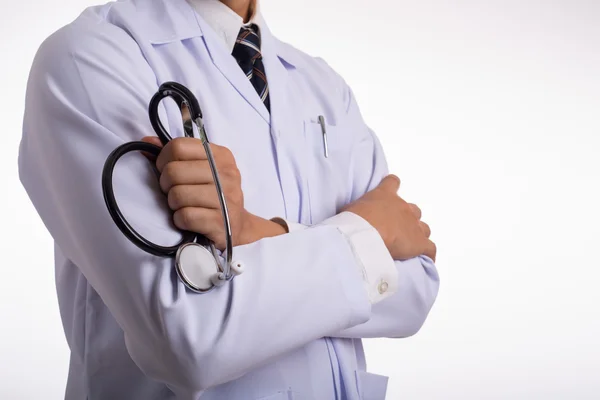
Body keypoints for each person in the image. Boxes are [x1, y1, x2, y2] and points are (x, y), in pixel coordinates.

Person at [18, 0, 440, 398]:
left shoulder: (322, 86)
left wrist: (255, 231)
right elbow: (192, 337)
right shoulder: (89, 58)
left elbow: (415, 289)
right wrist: (364, 242)